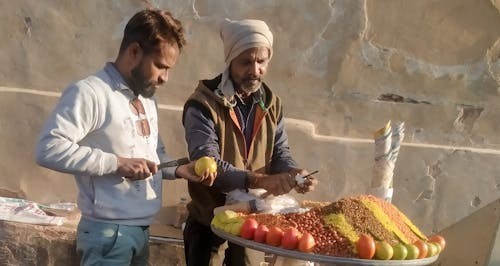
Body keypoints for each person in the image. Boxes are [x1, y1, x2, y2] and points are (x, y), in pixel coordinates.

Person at [35, 9, 214, 266]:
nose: (165, 77)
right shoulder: (90, 93)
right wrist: (116, 163)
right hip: (107, 234)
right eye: (160, 66)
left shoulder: (146, 98)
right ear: (134, 51)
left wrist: (179, 170)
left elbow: (153, 155)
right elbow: (48, 148)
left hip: (140, 231)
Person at [181, 18, 318, 266]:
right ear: (230, 60)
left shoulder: (271, 102)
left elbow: (279, 151)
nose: (255, 70)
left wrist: (293, 171)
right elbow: (206, 162)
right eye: (246, 62)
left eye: (261, 61)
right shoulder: (203, 104)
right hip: (209, 218)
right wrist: (258, 179)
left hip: (253, 220)